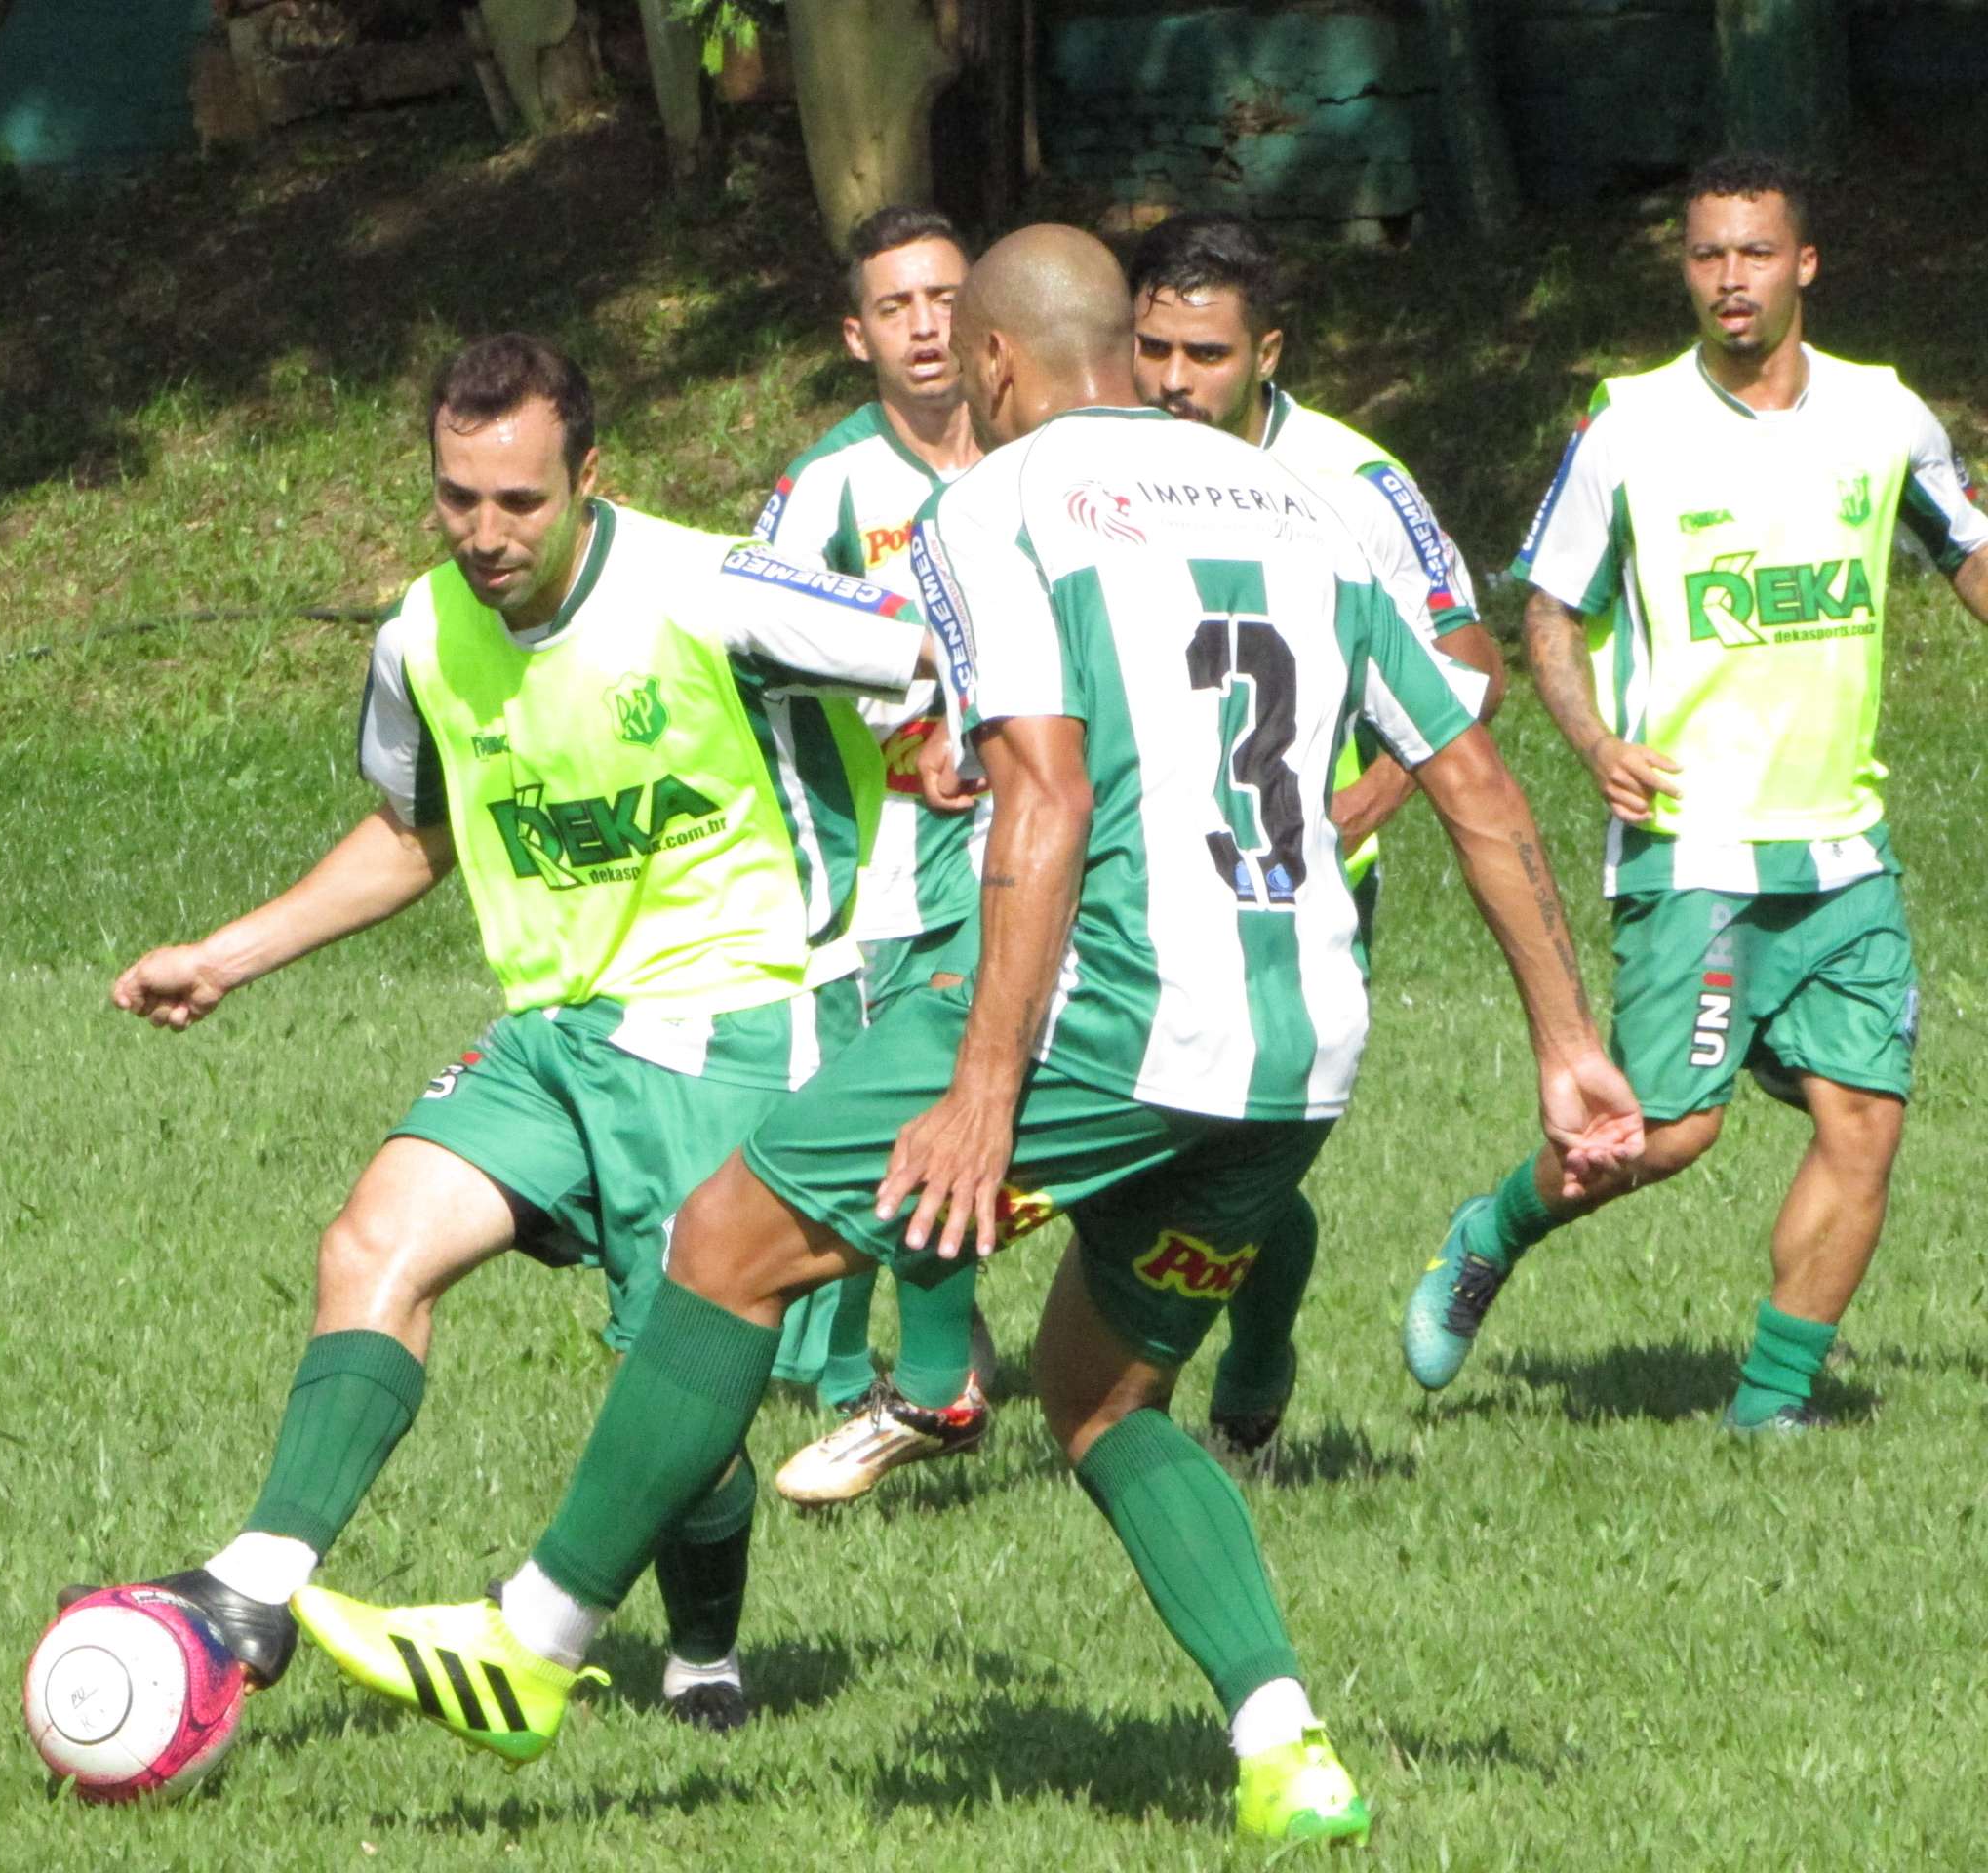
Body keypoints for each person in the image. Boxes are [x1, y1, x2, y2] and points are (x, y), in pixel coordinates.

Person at [295, 228, 1643, 1844]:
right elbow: (1475, 779)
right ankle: (1286, 1745)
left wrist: (980, 1094)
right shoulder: (1316, 503)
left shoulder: (994, 503)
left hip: (1117, 1014)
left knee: (726, 1243)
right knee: (1097, 1395)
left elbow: (1048, 795)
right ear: (1129, 350)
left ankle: (531, 1641)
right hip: (1303, 1056)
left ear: (995, 365)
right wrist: (1566, 1041)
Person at [66, 333, 936, 1734]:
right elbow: (416, 836)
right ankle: (257, 1587)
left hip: (730, 1023)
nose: (486, 534)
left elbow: (936, 657)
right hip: (550, 1033)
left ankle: (705, 1655)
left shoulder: (706, 588)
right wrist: (226, 957)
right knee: (369, 1243)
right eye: (459, 497)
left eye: (520, 501)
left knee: (679, 1392)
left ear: (590, 475)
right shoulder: (421, 635)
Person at [1402, 154, 1988, 1434]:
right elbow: (1550, 612)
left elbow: (1970, 552)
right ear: (1689, 270)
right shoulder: (1629, 428)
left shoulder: (1888, 417)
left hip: (1844, 845)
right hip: (1693, 843)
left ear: (1804, 266)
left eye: (1756, 254)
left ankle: (1770, 1413)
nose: (1732, 280)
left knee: (1864, 1124)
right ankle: (1489, 1235)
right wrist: (1595, 741)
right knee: (1666, 1136)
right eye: (1709, 256)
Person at [1126, 211, 1505, 1462]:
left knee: (1238, 1165)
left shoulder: (1354, 483)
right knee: (1158, 1159)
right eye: (1154, 348)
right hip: (1138, 878)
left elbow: (1467, 657)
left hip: (1302, 886)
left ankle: (1239, 1358)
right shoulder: (1107, 466)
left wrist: (1377, 790)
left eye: (1207, 355)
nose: (1175, 383)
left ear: (1269, 351)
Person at [754, 205, 996, 1507]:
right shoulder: (831, 485)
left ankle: (900, 1363)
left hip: (1034, 842)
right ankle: (857, 1371)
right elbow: (762, 636)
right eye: (897, 305)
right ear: (858, 333)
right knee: (901, 1115)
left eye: (946, 297)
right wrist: (903, 724)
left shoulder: (1037, 453)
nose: (925, 325)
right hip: (893, 860)